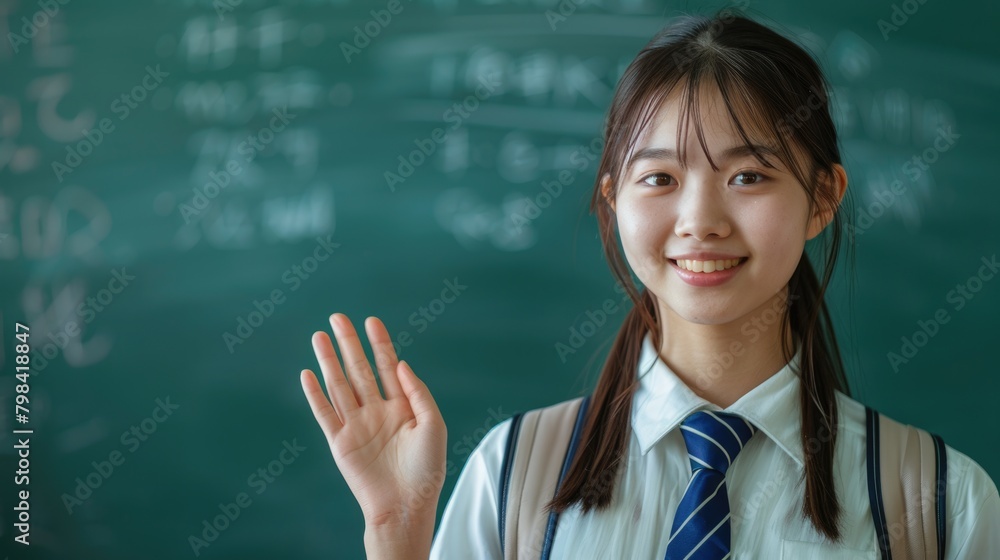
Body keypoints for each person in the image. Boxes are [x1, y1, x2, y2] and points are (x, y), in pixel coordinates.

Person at [298, 11, 1000, 560]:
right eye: (659, 178)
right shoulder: (510, 474)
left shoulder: (940, 503)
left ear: (823, 197)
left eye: (748, 176)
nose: (700, 221)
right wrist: (396, 532)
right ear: (612, 201)